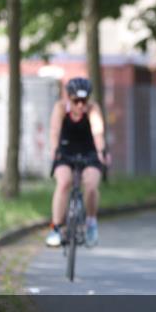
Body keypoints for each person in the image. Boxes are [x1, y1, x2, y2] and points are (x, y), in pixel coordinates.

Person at [46, 77, 107, 248]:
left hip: (89, 152)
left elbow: (98, 132)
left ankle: (91, 222)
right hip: (65, 151)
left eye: (84, 101)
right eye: (76, 101)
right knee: (64, 182)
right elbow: (54, 131)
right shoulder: (60, 108)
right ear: (68, 98)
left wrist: (101, 152)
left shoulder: (93, 109)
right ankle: (56, 227)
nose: (80, 105)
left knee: (91, 184)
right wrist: (54, 150)